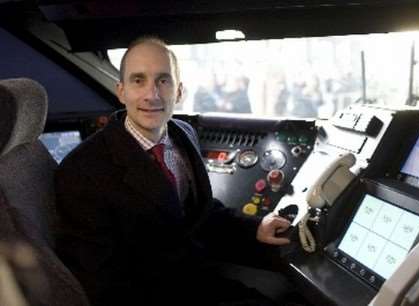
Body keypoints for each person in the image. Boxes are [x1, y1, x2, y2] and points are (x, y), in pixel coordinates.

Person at [55, 36, 292, 306]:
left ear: (179, 92)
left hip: (198, 277)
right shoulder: (82, 171)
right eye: (138, 80)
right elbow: (102, 283)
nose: (152, 94)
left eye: (163, 81)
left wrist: (255, 229)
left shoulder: (183, 134)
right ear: (121, 91)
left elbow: (199, 214)